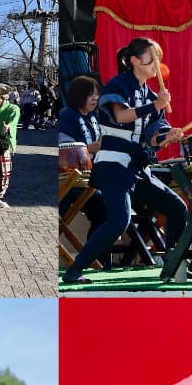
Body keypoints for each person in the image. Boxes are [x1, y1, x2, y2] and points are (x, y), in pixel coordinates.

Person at [62, 37, 188, 285]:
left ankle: (174, 267)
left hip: (137, 167)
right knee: (120, 220)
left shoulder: (152, 94)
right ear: (134, 61)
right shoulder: (119, 84)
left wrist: (167, 137)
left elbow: (152, 139)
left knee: (177, 208)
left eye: (158, 59)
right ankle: (74, 271)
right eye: (151, 58)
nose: (156, 64)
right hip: (114, 164)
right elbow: (120, 116)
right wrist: (155, 105)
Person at [58, 75, 108, 260]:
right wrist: (89, 148)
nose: (95, 98)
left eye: (97, 94)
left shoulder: (94, 117)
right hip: (68, 179)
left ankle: (94, 257)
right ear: (79, 96)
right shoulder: (67, 116)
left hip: (89, 179)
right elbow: (64, 151)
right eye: (90, 95)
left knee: (105, 210)